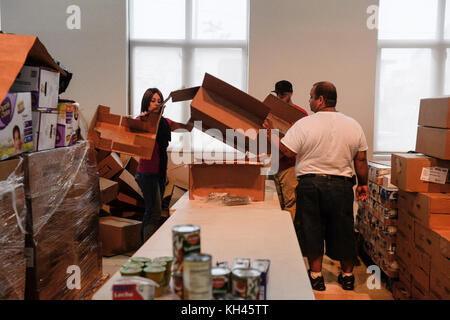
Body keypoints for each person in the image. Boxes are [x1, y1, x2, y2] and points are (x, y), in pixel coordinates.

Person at [264, 81, 368, 291]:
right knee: (344, 230)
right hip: (341, 186)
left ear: (321, 100)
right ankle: (347, 277)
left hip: (311, 185)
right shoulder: (353, 124)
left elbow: (288, 152)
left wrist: (270, 134)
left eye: (311, 97)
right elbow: (361, 159)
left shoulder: (305, 123)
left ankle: (316, 277)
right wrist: (362, 184)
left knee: (312, 229)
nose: (309, 100)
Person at [135, 88, 193, 244]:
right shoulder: (140, 121)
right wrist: (142, 122)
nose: (156, 104)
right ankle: (146, 248)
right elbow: (132, 138)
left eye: (159, 101)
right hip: (146, 174)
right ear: (146, 103)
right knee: (153, 212)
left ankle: (148, 245)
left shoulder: (165, 123)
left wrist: (195, 111)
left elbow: (187, 128)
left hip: (159, 173)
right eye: (152, 101)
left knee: (155, 211)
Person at [271, 80, 308, 221]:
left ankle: (290, 237)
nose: (280, 98)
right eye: (278, 95)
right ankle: (281, 234)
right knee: (277, 204)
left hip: (291, 165)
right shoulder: (272, 113)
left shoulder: (300, 114)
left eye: (283, 95)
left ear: (291, 94)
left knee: (291, 203)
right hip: (275, 164)